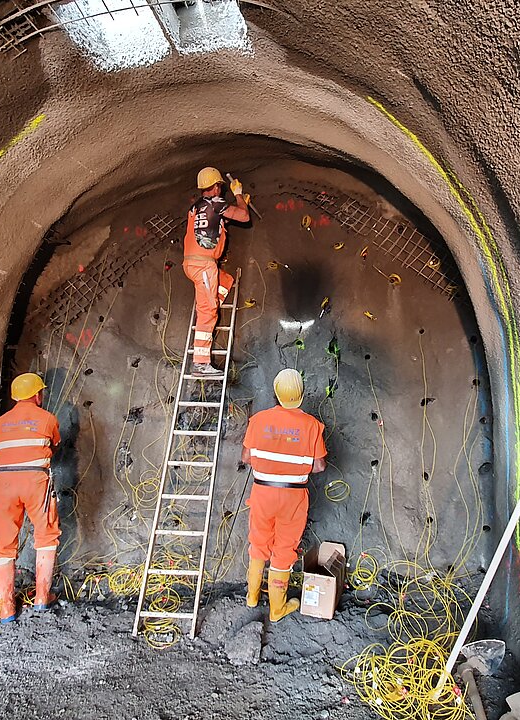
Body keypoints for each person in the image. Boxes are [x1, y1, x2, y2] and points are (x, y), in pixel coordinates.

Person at [242, 368, 327, 622]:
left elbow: (246, 457)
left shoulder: (257, 420)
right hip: (293, 495)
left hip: (262, 491)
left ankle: (252, 596)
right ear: (301, 395)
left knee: (258, 542)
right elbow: (320, 466)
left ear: (276, 393)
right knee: (284, 549)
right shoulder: (312, 425)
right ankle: (277, 609)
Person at [0, 372, 62, 624]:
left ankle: (5, 607)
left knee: (3, 543)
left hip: (3, 483)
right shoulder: (47, 418)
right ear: (37, 395)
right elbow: (56, 444)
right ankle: (41, 596)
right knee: (46, 534)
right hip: (35, 480)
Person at [183, 166, 250, 376]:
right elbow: (244, 217)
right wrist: (239, 196)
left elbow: (216, 223)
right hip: (203, 265)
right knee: (207, 312)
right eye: (220, 186)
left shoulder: (195, 208)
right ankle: (201, 363)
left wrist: (236, 208)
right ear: (217, 187)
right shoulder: (216, 202)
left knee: (226, 280)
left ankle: (212, 302)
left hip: (196, 264)